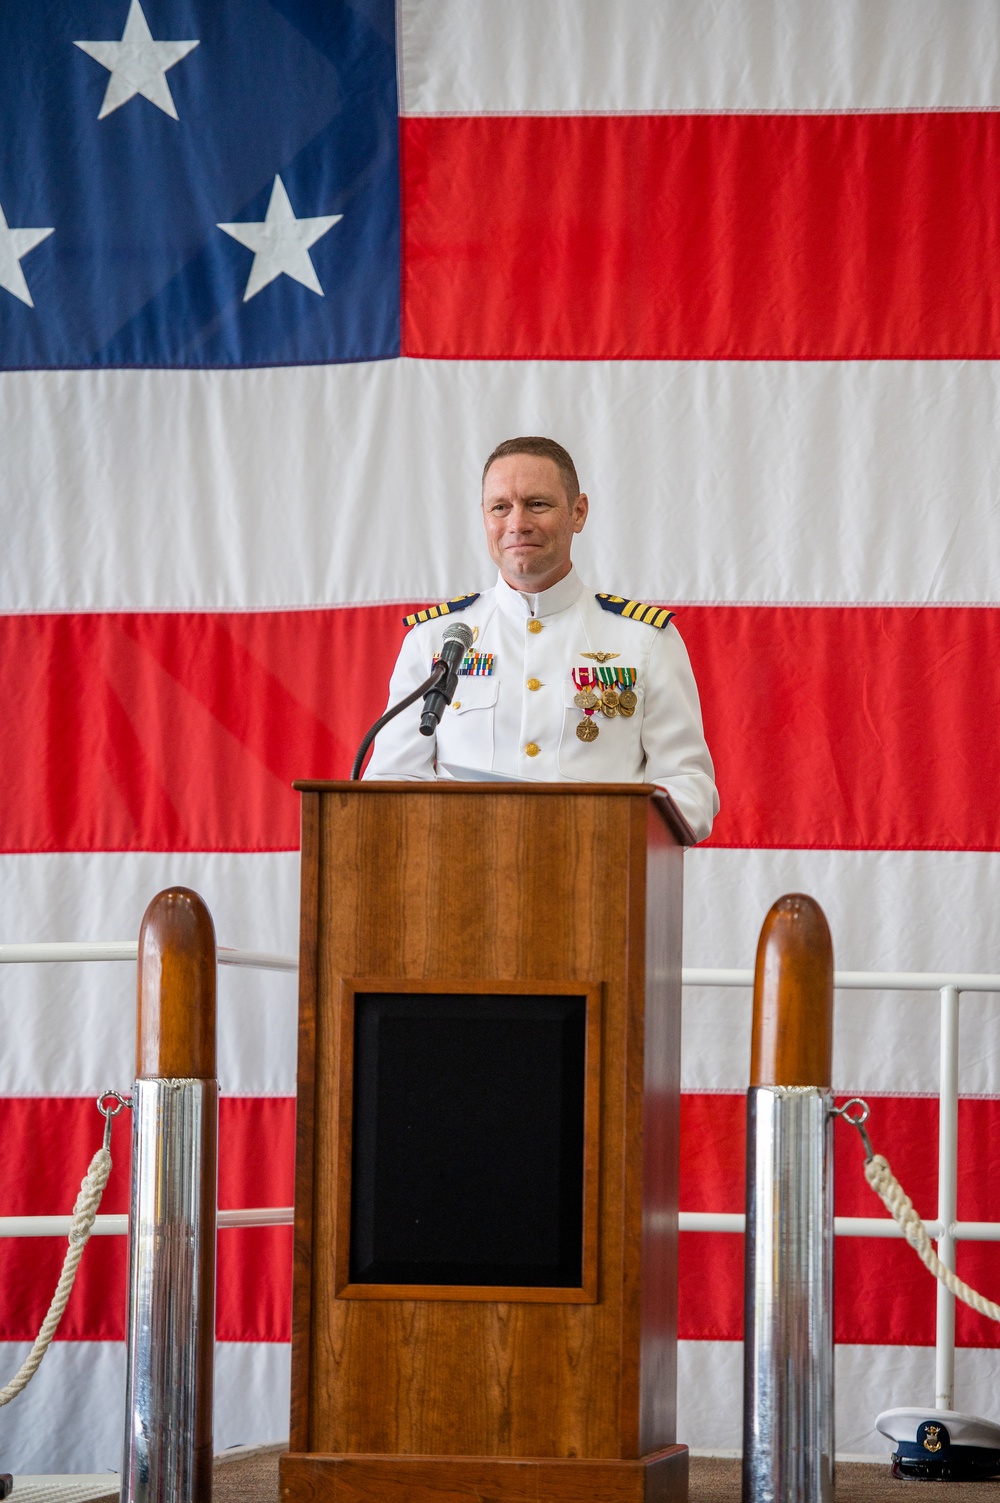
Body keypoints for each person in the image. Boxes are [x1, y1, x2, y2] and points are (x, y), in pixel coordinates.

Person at [363, 436, 719, 841]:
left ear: (578, 513)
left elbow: (689, 788)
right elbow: (391, 780)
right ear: (484, 517)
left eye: (537, 504)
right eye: (501, 507)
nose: (517, 523)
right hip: (457, 882)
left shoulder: (645, 639)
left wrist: (597, 836)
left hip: (600, 880)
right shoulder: (434, 640)